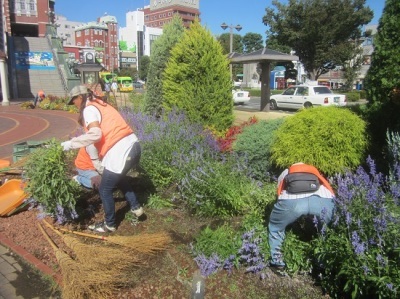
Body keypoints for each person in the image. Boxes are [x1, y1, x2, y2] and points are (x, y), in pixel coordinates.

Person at [61, 85, 143, 233]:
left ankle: (109, 224)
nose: (74, 104)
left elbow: (95, 135)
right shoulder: (102, 104)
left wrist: (70, 144)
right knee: (120, 179)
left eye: (73, 101)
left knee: (105, 189)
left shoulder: (89, 109)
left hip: (121, 150)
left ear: (80, 97)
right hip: (133, 145)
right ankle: (136, 208)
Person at [268, 162, 335, 273]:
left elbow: (279, 192)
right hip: (323, 200)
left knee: (276, 227)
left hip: (292, 203)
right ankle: (323, 264)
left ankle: (277, 263)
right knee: (325, 230)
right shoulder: (315, 172)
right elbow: (329, 188)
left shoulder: (286, 172)